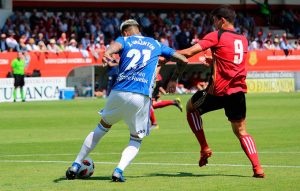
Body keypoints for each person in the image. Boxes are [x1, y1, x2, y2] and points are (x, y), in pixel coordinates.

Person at [65, 19, 188, 182]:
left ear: (124, 32)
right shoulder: (156, 44)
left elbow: (113, 48)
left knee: (101, 128)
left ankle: (75, 164)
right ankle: (118, 170)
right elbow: (183, 59)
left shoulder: (124, 40)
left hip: (119, 92)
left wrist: (107, 53)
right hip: (141, 96)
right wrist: (174, 79)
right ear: (138, 29)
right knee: (136, 138)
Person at [177, 5, 265, 178]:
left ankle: (204, 147)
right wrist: (214, 61)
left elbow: (189, 52)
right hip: (238, 91)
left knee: (190, 108)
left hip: (217, 91)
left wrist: (163, 56)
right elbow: (231, 61)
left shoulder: (217, 35)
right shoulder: (243, 38)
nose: (214, 24)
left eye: (215, 20)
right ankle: (257, 168)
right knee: (241, 131)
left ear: (222, 20)